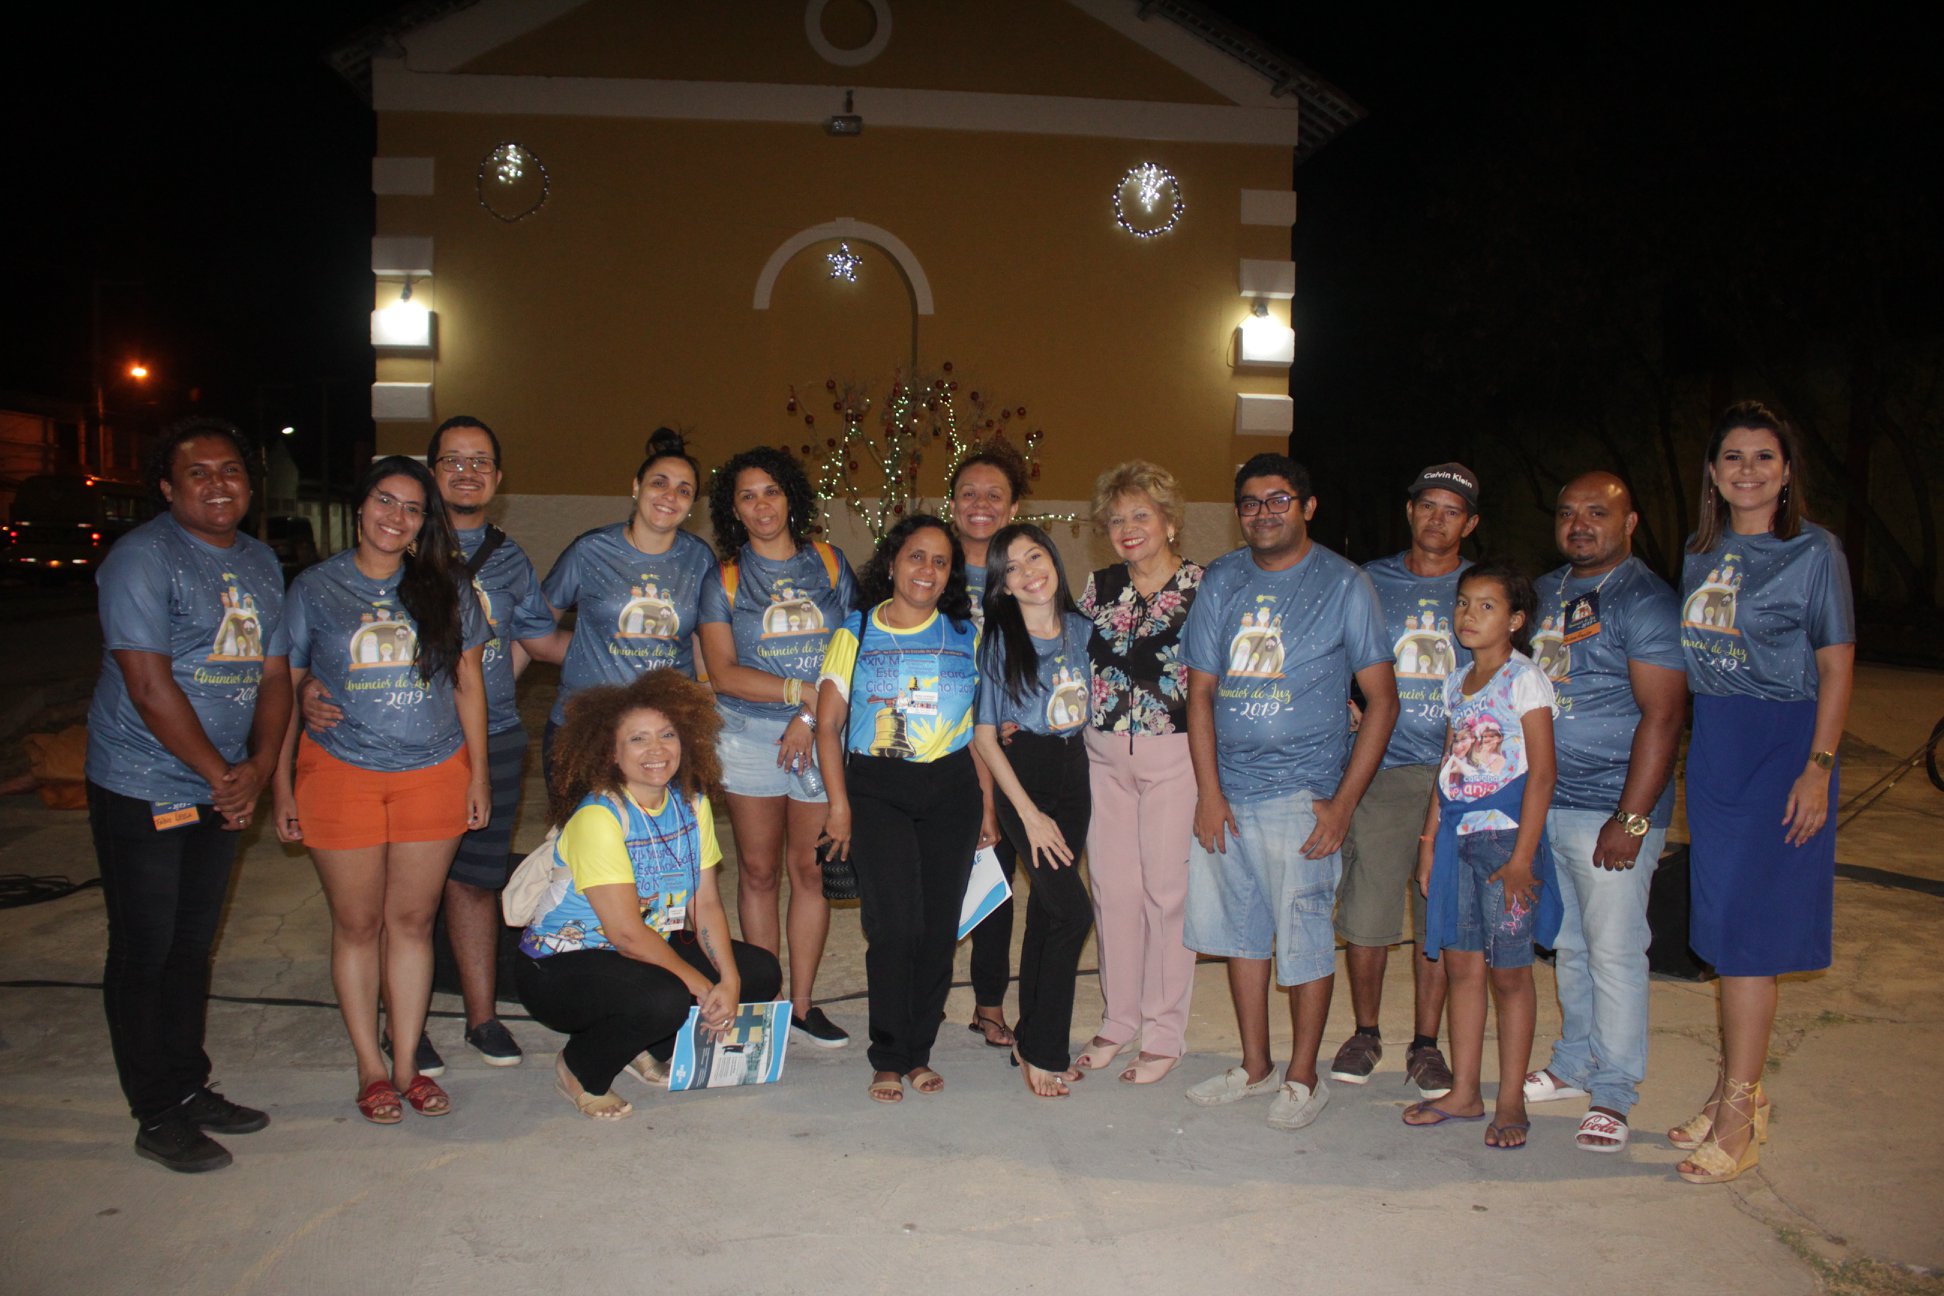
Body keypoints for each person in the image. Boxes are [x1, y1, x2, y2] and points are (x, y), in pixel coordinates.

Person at [299, 416, 565, 1073]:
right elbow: (304, 656)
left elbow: (532, 644)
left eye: (481, 462)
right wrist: (307, 689)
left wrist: (641, 658)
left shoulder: (507, 560)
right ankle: (398, 1034)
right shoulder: (356, 571)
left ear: (499, 478)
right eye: (453, 460)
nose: (468, 472)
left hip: (485, 741)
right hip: (381, 753)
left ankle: (480, 1018)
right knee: (380, 907)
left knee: (473, 884)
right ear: (430, 470)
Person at [84, 417, 292, 1172]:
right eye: (197, 473)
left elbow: (274, 676)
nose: (217, 484)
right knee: (145, 947)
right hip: (142, 783)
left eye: (230, 469)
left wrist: (259, 765)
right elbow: (146, 683)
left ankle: (187, 1084)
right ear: (167, 488)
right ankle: (155, 1110)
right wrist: (221, 775)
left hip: (224, 785)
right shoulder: (142, 559)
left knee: (191, 946)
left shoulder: (261, 561)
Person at [1180, 453, 1397, 1131]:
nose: (1263, 513)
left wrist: (1342, 804)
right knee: (1240, 936)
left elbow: (1382, 700)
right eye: (1250, 502)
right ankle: (1255, 1067)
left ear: (1308, 507)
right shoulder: (1222, 579)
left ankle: (1304, 1077)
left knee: (1302, 940)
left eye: (1278, 499)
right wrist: (1208, 792)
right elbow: (1200, 692)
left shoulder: (1345, 583)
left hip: (1303, 795)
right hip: (1229, 792)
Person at [272, 456, 491, 1124]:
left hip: (434, 772)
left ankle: (406, 1066)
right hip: (340, 774)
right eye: (385, 501)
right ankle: (370, 1068)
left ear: (426, 522)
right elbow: (284, 689)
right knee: (358, 924)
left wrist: (478, 774)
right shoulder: (314, 587)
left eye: (412, 508)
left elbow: (469, 685)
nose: (397, 517)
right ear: (361, 505)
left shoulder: (446, 586)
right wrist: (280, 784)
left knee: (412, 923)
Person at [1674, 400, 1854, 1185]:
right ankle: (1728, 1093)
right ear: (1713, 474)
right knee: (1721, 927)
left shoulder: (1815, 552)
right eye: (1733, 457)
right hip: (1717, 744)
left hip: (1783, 744)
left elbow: (1838, 665)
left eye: (1764, 457)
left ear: (1786, 473)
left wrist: (1819, 765)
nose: (1748, 470)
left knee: (1750, 937)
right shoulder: (1699, 552)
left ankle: (1742, 1117)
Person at [515, 672, 782, 1120]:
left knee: (759, 971)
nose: (656, 749)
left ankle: (639, 1046)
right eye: (637, 739)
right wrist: (704, 987)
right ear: (611, 752)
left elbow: (705, 904)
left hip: (642, 947)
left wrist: (730, 980)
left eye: (667, 735)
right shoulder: (600, 817)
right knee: (665, 998)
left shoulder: (691, 804)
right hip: (562, 963)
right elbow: (625, 934)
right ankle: (579, 1067)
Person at [1521, 471, 1687, 1153]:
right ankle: (1574, 1063)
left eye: (1597, 512)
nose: (1579, 524)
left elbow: (1664, 715)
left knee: (1616, 951)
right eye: (1568, 513)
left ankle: (1614, 1092)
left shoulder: (1645, 600)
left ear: (1630, 522)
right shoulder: (1545, 591)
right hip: (1548, 800)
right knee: (1570, 943)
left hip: (1611, 807)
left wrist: (1633, 818)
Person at [815, 516, 990, 1103]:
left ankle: (919, 1053)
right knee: (895, 926)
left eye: (941, 562)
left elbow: (980, 731)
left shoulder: (966, 635)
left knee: (939, 928)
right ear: (892, 563)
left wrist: (988, 806)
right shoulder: (857, 630)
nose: (927, 570)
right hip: (876, 788)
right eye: (917, 556)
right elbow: (828, 725)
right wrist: (838, 805)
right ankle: (888, 1056)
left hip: (952, 790)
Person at [1327, 463, 1479, 1100]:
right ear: (1409, 511)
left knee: (1437, 915)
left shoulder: (1482, 587)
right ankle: (1366, 1032)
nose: (1437, 518)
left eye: (1452, 510)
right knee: (1367, 910)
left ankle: (1425, 1044)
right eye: (1427, 505)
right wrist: (1340, 703)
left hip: (1460, 776)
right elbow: (1332, 651)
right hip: (1383, 771)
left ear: (1469, 523)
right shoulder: (1367, 580)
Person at [698, 445, 858, 1049]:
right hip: (747, 737)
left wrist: (810, 715)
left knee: (809, 871)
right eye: (747, 496)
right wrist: (800, 694)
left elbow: (853, 647)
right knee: (759, 872)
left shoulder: (829, 563)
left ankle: (803, 1006)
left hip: (822, 735)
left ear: (791, 497)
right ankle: (763, 1004)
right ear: (733, 509)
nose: (761, 505)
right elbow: (723, 673)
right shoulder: (724, 578)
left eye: (771, 491)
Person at [1411, 562, 1559, 1150]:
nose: (1469, 615)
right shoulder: (1456, 682)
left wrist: (1523, 857)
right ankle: (1465, 1091)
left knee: (1510, 974)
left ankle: (1510, 1099)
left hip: (1505, 843)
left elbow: (1542, 774)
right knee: (1463, 967)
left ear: (1516, 620)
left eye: (1487, 606)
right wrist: (1429, 844)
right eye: (1463, 603)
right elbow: (1448, 767)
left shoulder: (1525, 680)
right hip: (1456, 841)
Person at [1074, 461, 1204, 1085]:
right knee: (1112, 889)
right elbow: (1067, 661)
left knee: (1166, 895)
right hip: (1102, 756)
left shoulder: (1206, 587)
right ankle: (1119, 1019)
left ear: (1170, 522)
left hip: (1175, 757)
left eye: (1141, 515)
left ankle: (1163, 1032)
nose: (1127, 528)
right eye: (1117, 519)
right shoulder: (1098, 588)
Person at [971, 523, 1096, 1097]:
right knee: (1073, 913)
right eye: (1012, 567)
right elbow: (985, 737)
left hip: (1075, 774)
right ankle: (1045, 1050)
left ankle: (1030, 1035)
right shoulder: (1000, 641)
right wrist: (1027, 814)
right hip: (1026, 778)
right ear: (1002, 585)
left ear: (1054, 560)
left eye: (1035, 557)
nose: (1028, 572)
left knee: (1048, 911)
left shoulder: (1083, 630)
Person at [541, 427, 718, 783]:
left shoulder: (699, 559)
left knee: (660, 821)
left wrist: (705, 702)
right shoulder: (590, 550)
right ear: (636, 487)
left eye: (684, 490)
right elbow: (536, 626)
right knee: (585, 820)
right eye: (659, 483)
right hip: (587, 729)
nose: (670, 496)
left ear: (691, 506)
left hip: (664, 734)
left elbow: (702, 642)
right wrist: (587, 655)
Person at [948, 445, 1026, 1048]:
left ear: (1014, 507)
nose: (981, 504)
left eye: (994, 494)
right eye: (969, 493)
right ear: (952, 504)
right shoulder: (929, 565)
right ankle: (920, 1001)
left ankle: (990, 1005)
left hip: (1005, 749)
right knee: (934, 883)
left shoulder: (1025, 573)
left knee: (997, 877)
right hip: (935, 748)